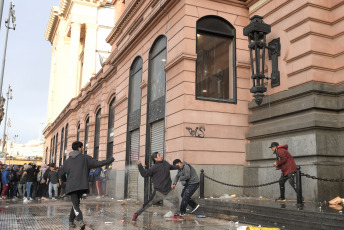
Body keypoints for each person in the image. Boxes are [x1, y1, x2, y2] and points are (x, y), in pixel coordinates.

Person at [59, 141, 114, 228]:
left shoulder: (67, 161)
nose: (83, 149)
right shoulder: (85, 158)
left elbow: (61, 173)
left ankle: (71, 221)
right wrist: (110, 160)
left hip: (71, 186)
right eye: (82, 147)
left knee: (75, 204)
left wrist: (64, 180)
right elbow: (98, 163)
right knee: (76, 204)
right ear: (79, 148)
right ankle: (80, 220)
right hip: (81, 185)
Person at [132, 152, 182, 222]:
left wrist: (178, 166)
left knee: (176, 200)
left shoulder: (165, 163)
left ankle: (176, 215)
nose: (161, 156)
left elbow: (171, 167)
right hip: (158, 192)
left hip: (168, 190)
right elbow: (144, 174)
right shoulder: (153, 168)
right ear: (156, 158)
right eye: (159, 156)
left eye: (160, 155)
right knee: (148, 204)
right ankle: (136, 214)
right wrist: (140, 166)